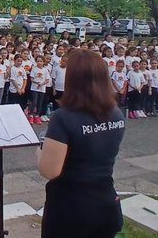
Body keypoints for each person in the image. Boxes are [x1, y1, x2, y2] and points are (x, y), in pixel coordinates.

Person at [37, 49, 124, 238]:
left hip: (71, 210)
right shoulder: (116, 113)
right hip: (105, 202)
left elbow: (50, 171)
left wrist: (40, 147)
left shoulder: (63, 118)